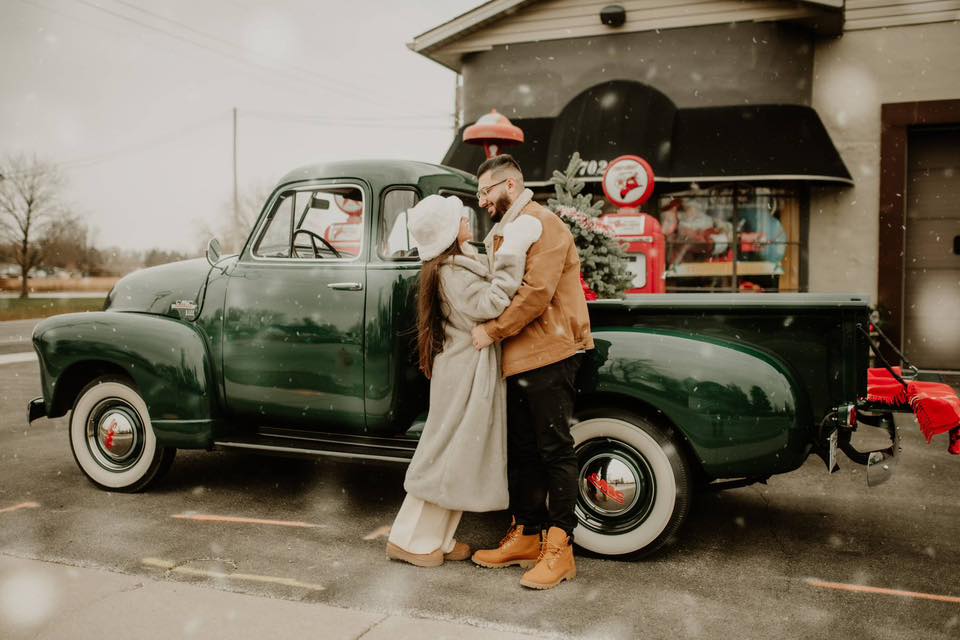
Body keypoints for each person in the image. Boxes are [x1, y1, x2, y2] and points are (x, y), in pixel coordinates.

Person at [386, 193, 543, 567]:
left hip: (465, 371)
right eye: (460, 219)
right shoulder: (451, 272)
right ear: (448, 231)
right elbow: (490, 303)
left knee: (456, 458)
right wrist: (512, 253)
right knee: (446, 457)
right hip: (463, 374)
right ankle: (409, 540)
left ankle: (436, 539)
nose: (467, 221)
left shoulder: (454, 263)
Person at [470, 154, 594, 590]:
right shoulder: (508, 230)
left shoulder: (543, 223)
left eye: (486, 191)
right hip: (519, 356)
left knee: (555, 450)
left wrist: (492, 330)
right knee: (523, 450)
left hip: (552, 351)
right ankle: (525, 535)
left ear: (510, 184)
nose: (482, 201)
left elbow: (536, 292)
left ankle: (561, 550)